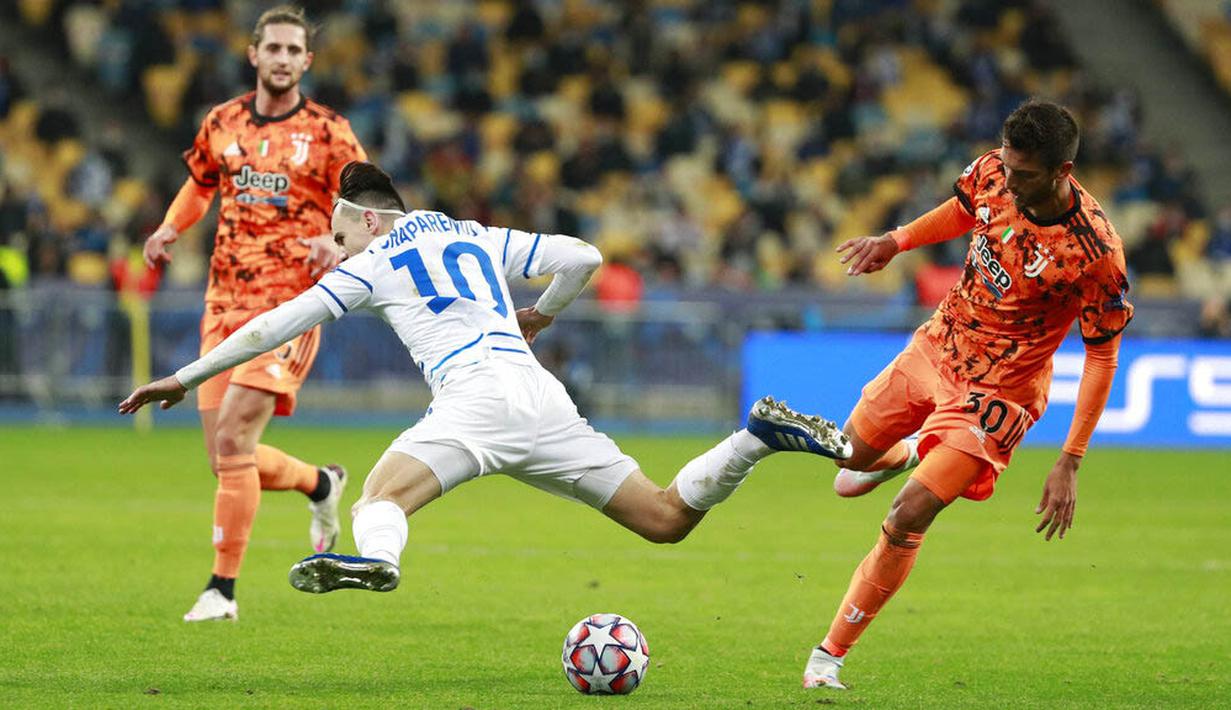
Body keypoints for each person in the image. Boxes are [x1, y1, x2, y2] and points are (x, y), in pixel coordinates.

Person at [120, 161, 854, 599]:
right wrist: (541, 315)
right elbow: (585, 255)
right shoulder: (472, 234)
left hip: (472, 399)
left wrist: (183, 377)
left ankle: (378, 560)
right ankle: (754, 439)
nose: (335, 253)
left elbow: (270, 326)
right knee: (662, 519)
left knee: (379, 497)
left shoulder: (372, 262)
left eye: (339, 238)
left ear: (369, 224)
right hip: (538, 395)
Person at [802, 100, 1133, 689]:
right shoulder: (992, 173)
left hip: (997, 395)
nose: (1009, 181)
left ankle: (828, 656)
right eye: (1006, 166)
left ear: (1064, 170)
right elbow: (963, 210)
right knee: (845, 459)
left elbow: (1102, 355)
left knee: (908, 514)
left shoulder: (1095, 253)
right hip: (938, 344)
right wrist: (896, 241)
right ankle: (904, 453)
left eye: (1025, 174)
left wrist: (1071, 458)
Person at [141, 6, 368, 622]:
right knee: (226, 458)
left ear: (307, 61)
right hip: (223, 303)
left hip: (291, 307)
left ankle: (222, 591)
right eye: (274, 48)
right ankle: (321, 485)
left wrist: (336, 239)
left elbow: (370, 206)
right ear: (254, 54)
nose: (283, 58)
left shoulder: (329, 132)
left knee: (237, 438)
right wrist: (168, 227)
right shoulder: (223, 121)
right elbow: (199, 184)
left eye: (295, 50)